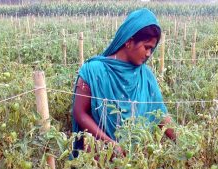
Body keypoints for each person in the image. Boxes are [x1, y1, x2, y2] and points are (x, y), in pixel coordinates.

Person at [71, 8, 176, 158]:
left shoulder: (146, 76)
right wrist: (109, 143)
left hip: (136, 160)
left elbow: (160, 114)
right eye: (146, 47)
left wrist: (183, 142)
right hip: (99, 157)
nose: (148, 54)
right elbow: (79, 113)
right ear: (129, 41)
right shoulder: (93, 71)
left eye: (152, 49)